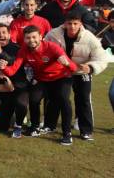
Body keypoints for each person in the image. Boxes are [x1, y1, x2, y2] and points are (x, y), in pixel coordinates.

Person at [0, 25, 77, 145]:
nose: (31, 40)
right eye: (28, 38)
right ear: (24, 39)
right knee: (34, 99)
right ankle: (34, 127)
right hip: (42, 79)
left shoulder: (52, 47)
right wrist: (3, 68)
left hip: (61, 77)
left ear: (41, 37)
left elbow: (73, 67)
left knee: (64, 100)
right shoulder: (23, 50)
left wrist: (66, 63)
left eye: (34, 37)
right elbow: (13, 70)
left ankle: (67, 133)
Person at [43, 12, 109, 141]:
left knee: (83, 99)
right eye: (69, 23)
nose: (72, 27)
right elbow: (44, 50)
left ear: (80, 24)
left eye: (75, 24)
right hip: (60, 72)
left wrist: (90, 67)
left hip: (81, 71)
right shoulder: (53, 34)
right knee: (57, 97)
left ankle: (86, 131)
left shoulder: (89, 38)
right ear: (65, 23)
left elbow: (102, 58)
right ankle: (49, 125)